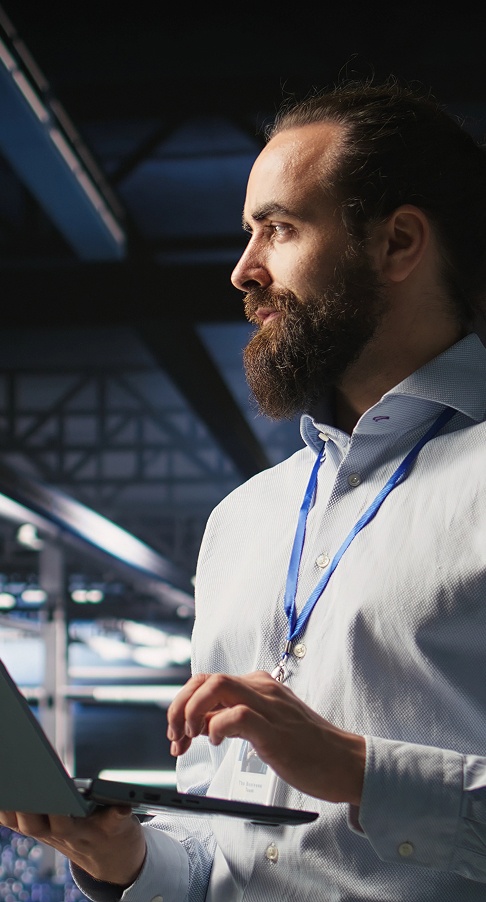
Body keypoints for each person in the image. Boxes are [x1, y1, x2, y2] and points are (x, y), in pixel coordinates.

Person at [3, 74, 486, 901]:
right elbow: (214, 847)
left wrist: (361, 771)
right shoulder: (244, 521)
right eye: (246, 232)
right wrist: (124, 860)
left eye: (279, 229)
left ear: (398, 244)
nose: (242, 270)